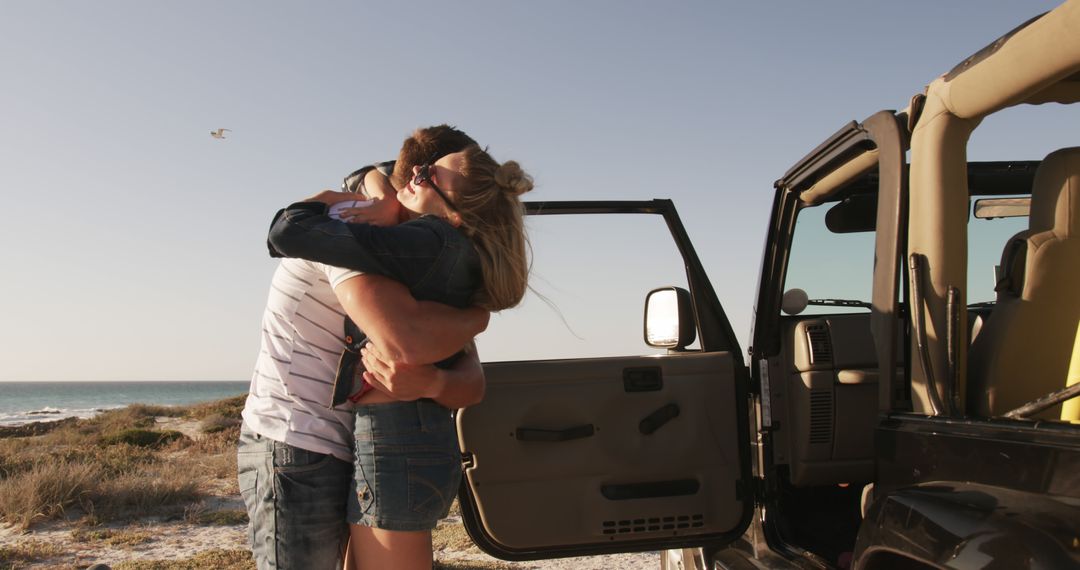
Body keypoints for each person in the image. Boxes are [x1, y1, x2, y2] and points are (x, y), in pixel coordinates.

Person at [267, 143, 533, 570]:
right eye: (419, 167)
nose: (413, 174)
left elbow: (287, 233)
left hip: (384, 443)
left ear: (455, 213)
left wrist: (325, 199)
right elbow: (471, 379)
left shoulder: (416, 242)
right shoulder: (451, 258)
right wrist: (383, 192)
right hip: (405, 436)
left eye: (428, 175)